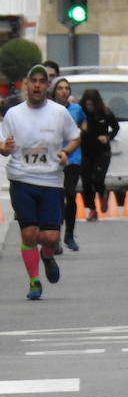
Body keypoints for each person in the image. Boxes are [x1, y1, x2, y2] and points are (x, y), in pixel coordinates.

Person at [0, 64, 80, 299]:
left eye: (41, 81)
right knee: (29, 234)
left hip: (51, 181)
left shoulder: (59, 113)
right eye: (32, 81)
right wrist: (4, 148)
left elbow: (75, 137)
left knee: (50, 238)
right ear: (26, 84)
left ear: (47, 86)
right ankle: (34, 282)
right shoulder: (14, 114)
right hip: (22, 178)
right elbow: (3, 144)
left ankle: (47, 255)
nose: (36, 85)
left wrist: (66, 152)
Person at [50, 77, 85, 250]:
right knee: (56, 198)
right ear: (54, 92)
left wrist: (83, 131)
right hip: (53, 159)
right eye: (60, 88)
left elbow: (83, 123)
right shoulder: (48, 109)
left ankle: (69, 235)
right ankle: (54, 237)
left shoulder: (76, 109)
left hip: (73, 158)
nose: (64, 91)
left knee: (70, 195)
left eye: (67, 88)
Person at [77, 88, 119, 220]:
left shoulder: (104, 113)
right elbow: (70, 127)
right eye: (87, 104)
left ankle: (102, 194)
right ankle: (92, 209)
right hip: (85, 151)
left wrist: (108, 137)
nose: (89, 107)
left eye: (91, 105)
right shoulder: (81, 113)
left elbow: (116, 127)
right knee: (86, 181)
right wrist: (80, 129)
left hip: (102, 151)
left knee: (98, 179)